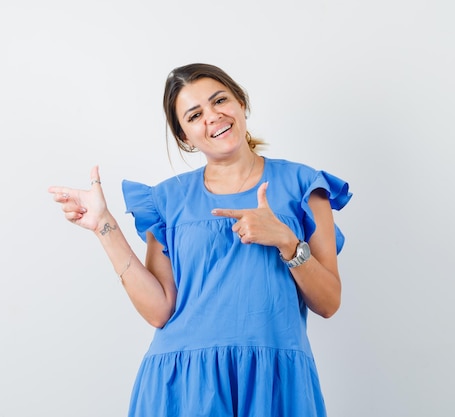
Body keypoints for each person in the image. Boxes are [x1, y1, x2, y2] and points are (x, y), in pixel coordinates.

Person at [48, 63, 352, 417]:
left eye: (219, 100)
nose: (213, 116)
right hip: (185, 384)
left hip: (274, 381)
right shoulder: (167, 200)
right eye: (194, 115)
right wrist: (104, 226)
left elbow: (329, 302)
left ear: (240, 102)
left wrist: (286, 240)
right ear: (184, 137)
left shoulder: (304, 185)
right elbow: (160, 310)